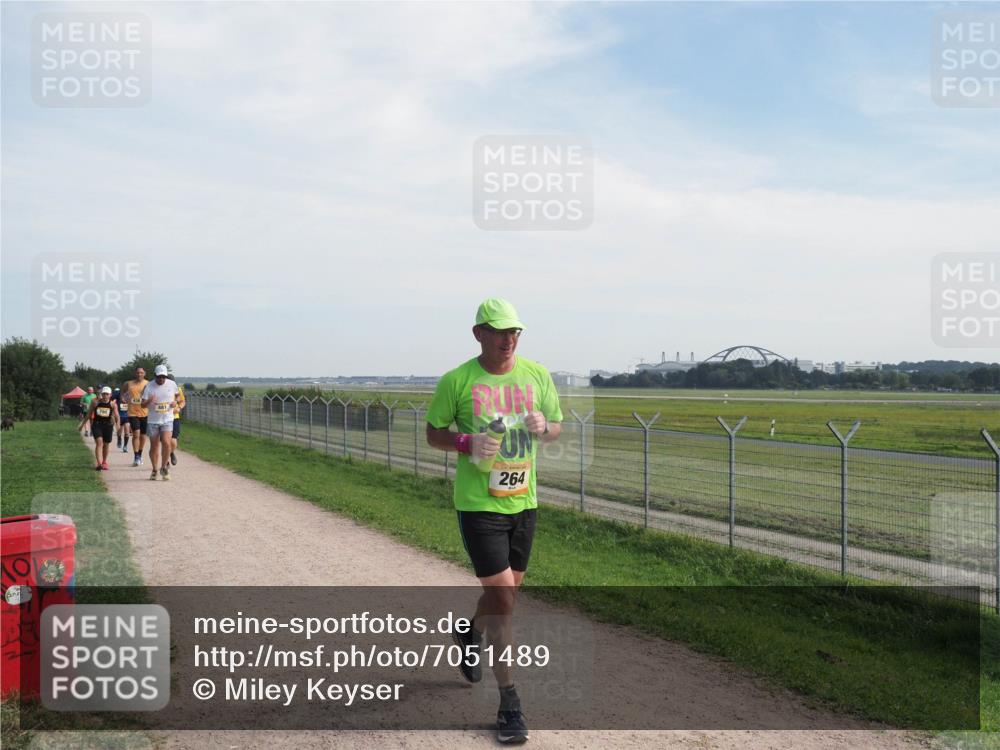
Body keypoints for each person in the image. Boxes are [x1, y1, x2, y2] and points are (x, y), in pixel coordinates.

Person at [425, 298, 562, 745]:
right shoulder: (458, 380)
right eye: (500, 331)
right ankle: (510, 705)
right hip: (478, 505)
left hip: (523, 502)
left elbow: (556, 426)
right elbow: (433, 433)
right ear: (478, 332)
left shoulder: (538, 376)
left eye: (515, 332)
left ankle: (469, 634)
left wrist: (545, 427)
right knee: (504, 599)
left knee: (504, 597)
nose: (509, 339)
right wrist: (467, 441)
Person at [141, 364, 179, 481]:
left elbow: (177, 396)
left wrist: (175, 402)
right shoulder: (149, 386)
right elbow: (142, 404)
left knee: (167, 443)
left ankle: (163, 468)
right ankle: (154, 469)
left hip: (167, 419)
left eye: (163, 376)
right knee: (154, 446)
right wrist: (149, 400)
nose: (161, 379)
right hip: (153, 420)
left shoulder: (172, 384)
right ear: (155, 376)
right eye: (159, 377)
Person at [78, 386, 120, 471]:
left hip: (108, 426)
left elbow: (117, 416)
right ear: (101, 394)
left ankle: (104, 462)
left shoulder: (113, 404)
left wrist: (118, 426)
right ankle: (99, 463)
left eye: (107, 394)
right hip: (97, 425)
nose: (105, 396)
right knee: (99, 443)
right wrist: (82, 425)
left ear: (110, 395)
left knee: (106, 444)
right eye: (103, 394)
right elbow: (89, 414)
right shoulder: (95, 403)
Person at [122, 367, 149, 466]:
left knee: (143, 435)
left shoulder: (148, 384)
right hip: (132, 413)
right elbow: (123, 392)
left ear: (144, 373)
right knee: (136, 434)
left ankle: (140, 453)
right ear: (135, 373)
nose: (139, 374)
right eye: (138, 373)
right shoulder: (128, 383)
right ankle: (136, 456)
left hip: (145, 413)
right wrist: (123, 398)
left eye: (141, 373)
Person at [169, 374, 185, 465]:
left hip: (175, 417)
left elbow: (182, 401)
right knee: (165, 440)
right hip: (163, 418)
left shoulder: (178, 390)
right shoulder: (160, 389)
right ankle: (165, 461)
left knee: (173, 440)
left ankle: (172, 453)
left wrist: (179, 408)